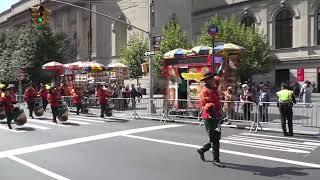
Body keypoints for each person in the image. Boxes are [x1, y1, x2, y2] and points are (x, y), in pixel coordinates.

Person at [197, 72, 224, 167]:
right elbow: (205, 104)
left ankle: (202, 150)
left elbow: (218, 77)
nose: (213, 79)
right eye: (211, 78)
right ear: (207, 80)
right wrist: (212, 109)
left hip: (217, 116)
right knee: (215, 139)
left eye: (213, 78)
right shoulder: (204, 91)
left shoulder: (214, 87)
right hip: (209, 117)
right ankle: (216, 159)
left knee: (216, 138)